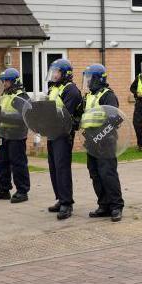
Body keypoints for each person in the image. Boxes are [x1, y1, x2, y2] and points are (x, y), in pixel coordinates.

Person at [81, 64, 124, 222]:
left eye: (89, 78)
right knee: (95, 173)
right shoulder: (89, 96)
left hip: (105, 140)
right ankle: (104, 205)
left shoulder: (108, 95)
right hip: (91, 140)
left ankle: (116, 206)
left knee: (108, 173)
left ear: (98, 79)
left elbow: (115, 118)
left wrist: (99, 135)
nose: (87, 81)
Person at [45, 59, 83, 220]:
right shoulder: (54, 88)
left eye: (57, 72)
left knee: (62, 168)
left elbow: (65, 115)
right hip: (52, 132)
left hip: (63, 134)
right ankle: (60, 199)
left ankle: (67, 203)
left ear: (65, 74)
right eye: (53, 72)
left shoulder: (71, 91)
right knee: (53, 167)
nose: (54, 75)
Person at [0, 68, 31, 203]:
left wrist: (5, 118)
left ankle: (22, 191)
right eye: (3, 81)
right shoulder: (6, 95)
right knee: (1, 163)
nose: (4, 83)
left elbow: (24, 117)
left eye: (6, 81)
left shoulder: (20, 97)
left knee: (18, 164)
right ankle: (3, 189)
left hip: (17, 135)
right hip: (5, 134)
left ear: (14, 81)